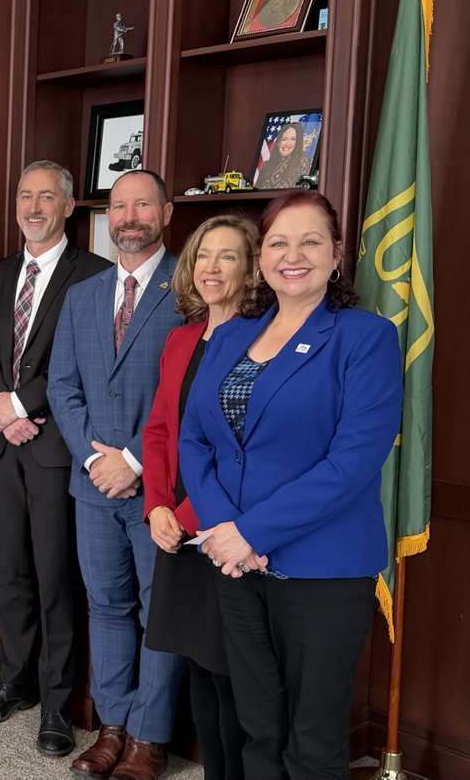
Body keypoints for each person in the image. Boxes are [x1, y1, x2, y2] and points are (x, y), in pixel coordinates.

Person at [179, 191, 403, 780]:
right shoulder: (232, 335)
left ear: (336, 253)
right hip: (235, 566)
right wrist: (224, 529)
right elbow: (193, 439)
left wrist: (250, 532)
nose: (292, 255)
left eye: (310, 241)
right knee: (258, 728)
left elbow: (352, 463)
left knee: (312, 741)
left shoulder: (365, 337)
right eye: (278, 242)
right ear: (263, 257)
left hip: (322, 571)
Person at [47, 169, 186, 780]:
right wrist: (94, 459)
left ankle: (148, 740)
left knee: (159, 611)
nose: (129, 217)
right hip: (93, 485)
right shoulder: (84, 294)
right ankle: (112, 727)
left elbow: (190, 392)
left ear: (166, 213)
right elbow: (62, 386)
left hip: (161, 487)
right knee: (105, 606)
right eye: (119, 207)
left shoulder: (192, 289)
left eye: (142, 205)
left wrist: (131, 460)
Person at [0, 162, 110, 755]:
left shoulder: (95, 274)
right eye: (25, 195)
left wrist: (24, 404)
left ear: (68, 206)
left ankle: (56, 704)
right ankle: (14, 681)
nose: (33, 207)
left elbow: (85, 360)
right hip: (3, 446)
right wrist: (3, 410)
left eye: (46, 197)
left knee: (55, 576)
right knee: (12, 572)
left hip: (55, 447)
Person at [140, 215, 259, 780]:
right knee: (199, 667)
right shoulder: (181, 338)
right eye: (204, 255)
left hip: (226, 527)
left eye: (228, 256)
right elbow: (160, 430)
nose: (212, 267)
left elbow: (237, 449)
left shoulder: (261, 341)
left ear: (251, 269)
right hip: (175, 525)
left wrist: (187, 516)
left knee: (231, 673)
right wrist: (156, 507)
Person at [253, 122, 312, 190]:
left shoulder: (303, 162)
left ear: (297, 143)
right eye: (284, 139)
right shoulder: (266, 166)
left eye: (292, 139)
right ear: (278, 143)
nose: (287, 144)